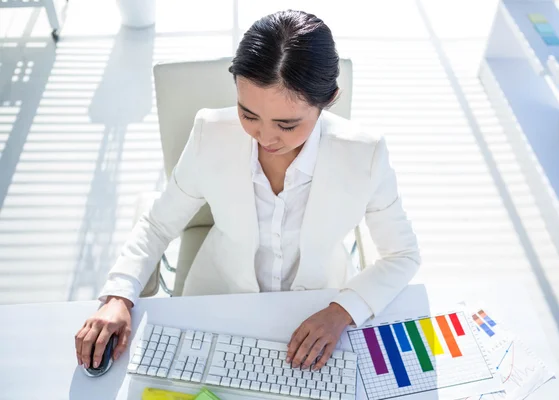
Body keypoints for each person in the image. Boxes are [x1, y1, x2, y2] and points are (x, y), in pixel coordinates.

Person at [75, 9, 420, 374]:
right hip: (220, 301)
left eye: (287, 124)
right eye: (248, 114)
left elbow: (403, 255)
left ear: (329, 99)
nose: (266, 138)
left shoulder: (365, 154)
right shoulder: (210, 132)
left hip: (320, 310)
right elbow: (158, 225)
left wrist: (342, 312)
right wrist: (118, 295)